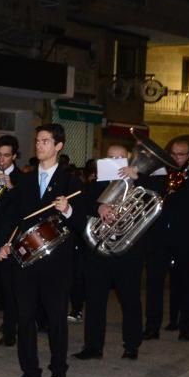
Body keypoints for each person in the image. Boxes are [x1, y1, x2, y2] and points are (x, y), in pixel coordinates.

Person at [0, 124, 83, 377]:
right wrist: (6, 244)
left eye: (45, 141)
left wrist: (68, 210)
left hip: (56, 262)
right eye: (37, 141)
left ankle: (58, 370)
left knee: (56, 319)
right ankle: (30, 373)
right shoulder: (25, 178)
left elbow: (81, 221)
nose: (39, 145)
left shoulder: (71, 181)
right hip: (25, 261)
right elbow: (16, 218)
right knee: (25, 319)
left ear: (58, 146)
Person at [72, 142, 150, 362]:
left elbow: (158, 195)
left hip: (128, 252)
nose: (115, 163)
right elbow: (81, 204)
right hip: (99, 251)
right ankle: (93, 347)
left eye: (120, 159)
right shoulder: (96, 184)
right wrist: (99, 207)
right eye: (110, 158)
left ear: (128, 160)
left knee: (130, 300)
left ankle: (131, 345)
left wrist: (137, 177)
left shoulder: (140, 183)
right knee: (95, 300)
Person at [144, 137, 189, 340]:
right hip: (159, 236)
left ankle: (185, 328)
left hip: (187, 238)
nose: (176, 158)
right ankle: (152, 327)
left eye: (181, 154)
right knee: (154, 283)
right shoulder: (160, 171)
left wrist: (184, 180)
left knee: (187, 285)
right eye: (173, 153)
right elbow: (148, 189)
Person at [0, 136, 25, 346]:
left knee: (9, 289)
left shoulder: (22, 179)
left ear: (14, 156)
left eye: (6, 156)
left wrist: (11, 187)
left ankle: (10, 331)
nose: (1, 160)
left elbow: (24, 211)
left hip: (8, 240)